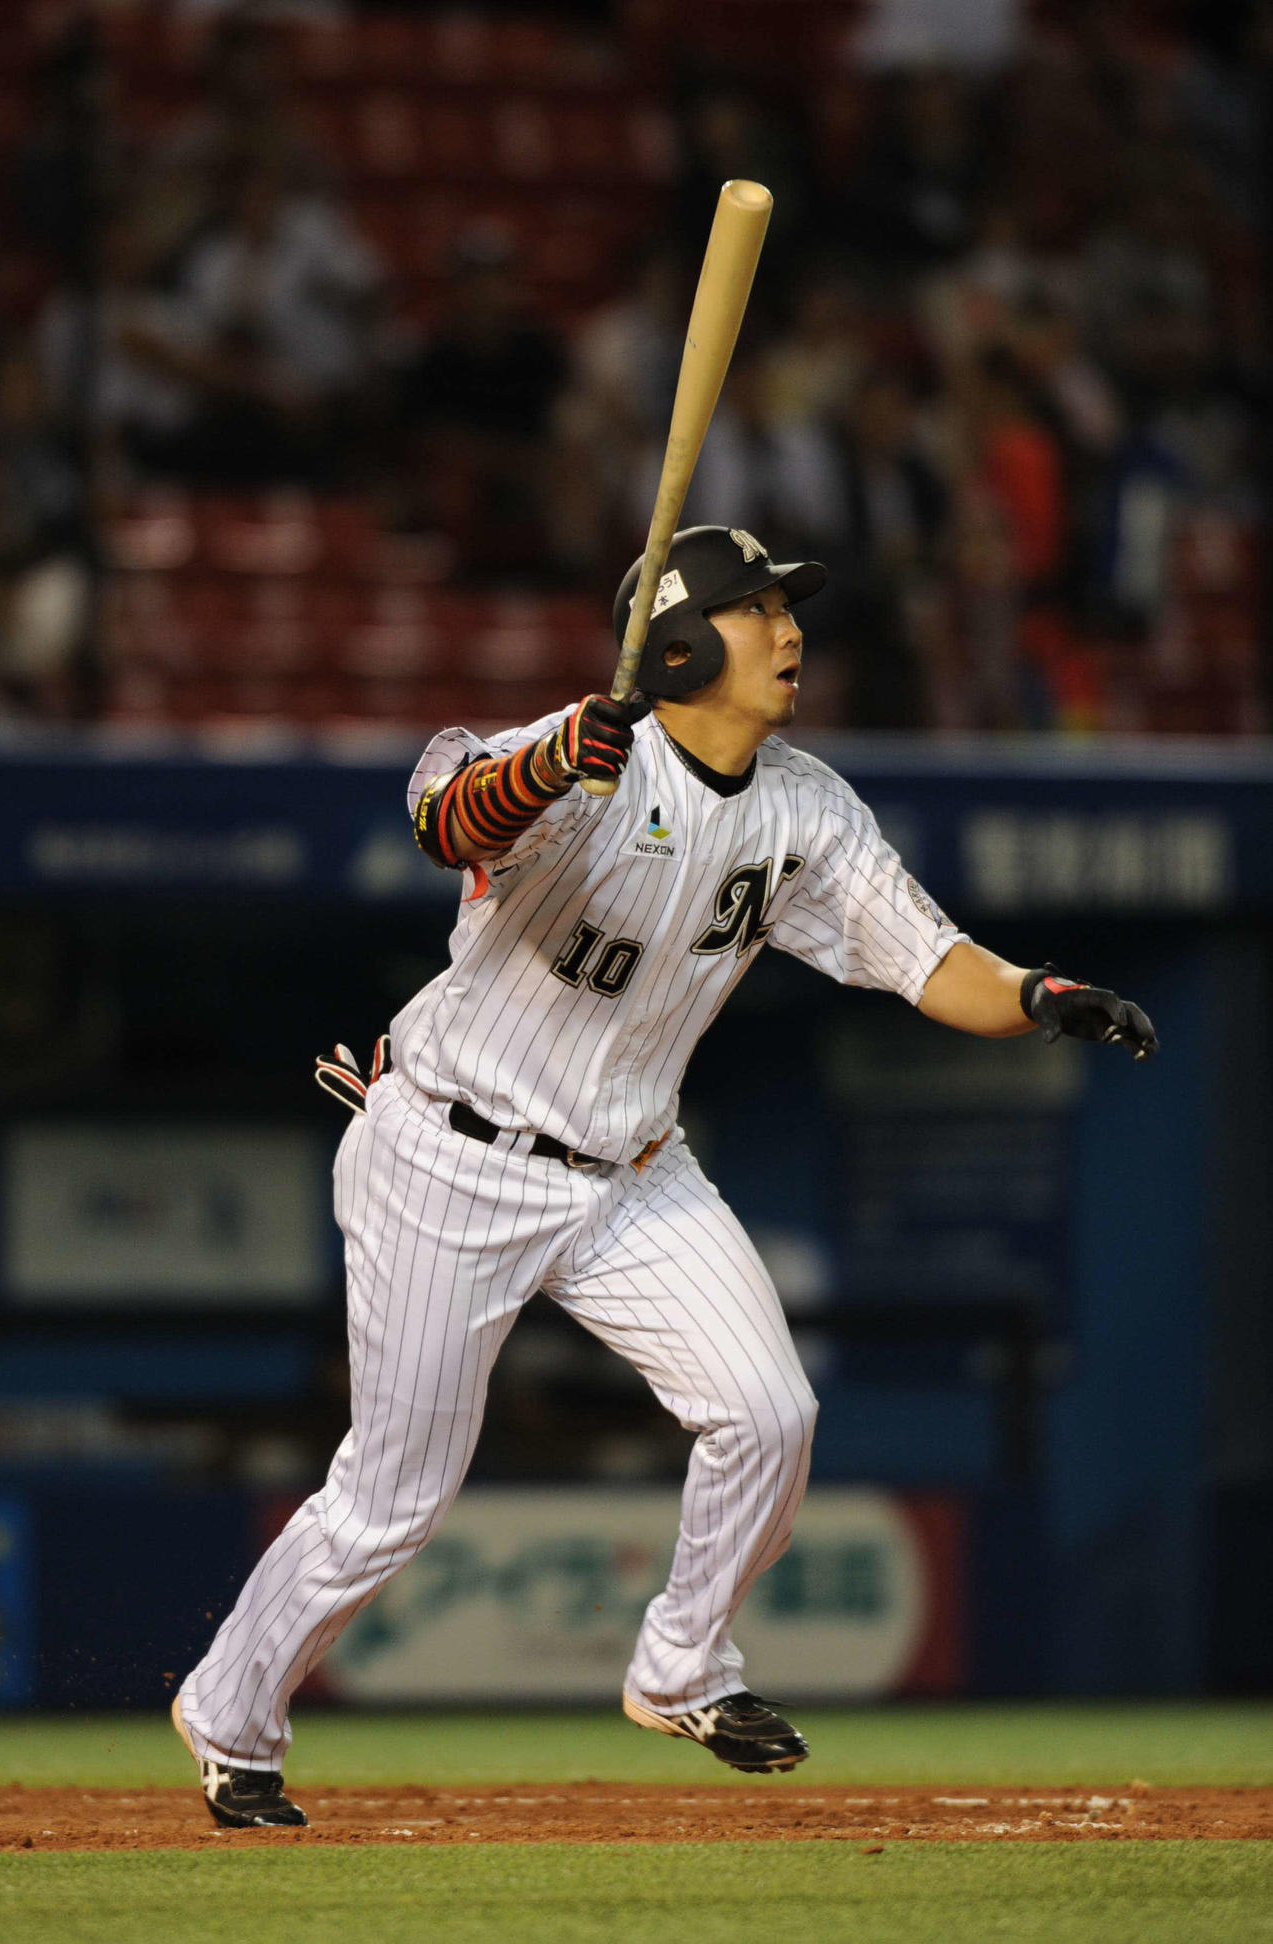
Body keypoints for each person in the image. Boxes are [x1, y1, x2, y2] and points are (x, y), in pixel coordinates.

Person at [172, 524, 1158, 1828]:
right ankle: (230, 1720)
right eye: (757, 611)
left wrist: (1036, 994)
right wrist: (549, 765)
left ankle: (684, 1665)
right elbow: (443, 816)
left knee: (769, 1413)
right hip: (450, 1157)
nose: (791, 630)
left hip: (631, 1171)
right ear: (681, 643)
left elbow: (929, 961)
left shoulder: (803, 805)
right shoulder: (579, 758)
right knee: (392, 1497)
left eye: (789, 607)